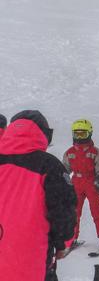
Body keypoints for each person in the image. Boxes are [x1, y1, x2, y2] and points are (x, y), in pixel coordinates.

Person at [0, 110, 76, 281]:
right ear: (43, 135)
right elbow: (63, 211)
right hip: (29, 262)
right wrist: (63, 243)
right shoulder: (49, 165)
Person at [62, 119, 99, 251]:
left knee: (96, 209)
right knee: (74, 210)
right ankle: (71, 237)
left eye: (82, 134)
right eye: (77, 134)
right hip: (76, 183)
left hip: (91, 182)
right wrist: (62, 181)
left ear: (89, 134)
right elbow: (65, 169)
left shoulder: (94, 152)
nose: (79, 137)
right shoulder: (69, 152)